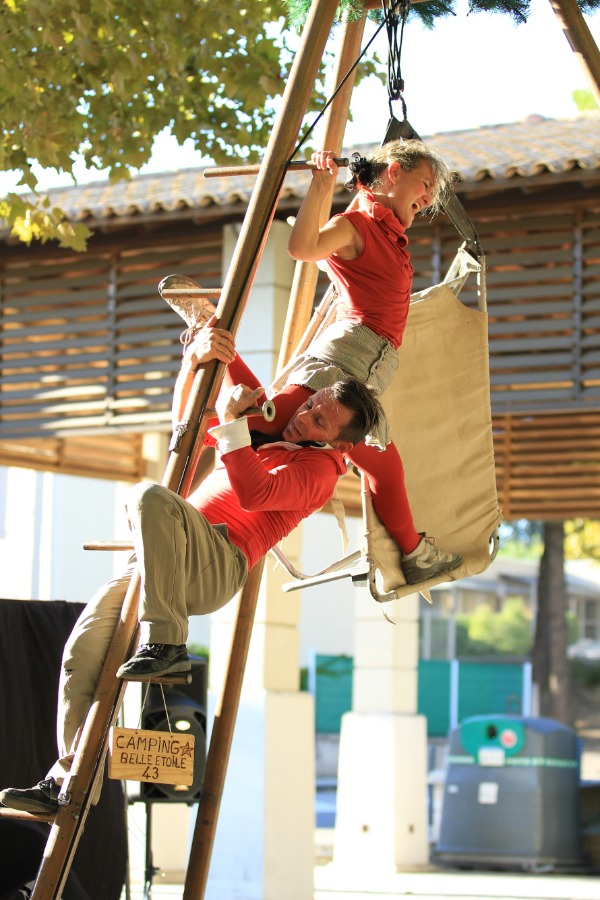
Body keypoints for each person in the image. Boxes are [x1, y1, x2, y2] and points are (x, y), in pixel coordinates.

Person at [0, 316, 382, 816]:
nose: (304, 417)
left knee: (148, 498)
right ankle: (69, 784)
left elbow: (255, 491)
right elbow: (189, 431)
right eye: (310, 405)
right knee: (82, 656)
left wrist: (231, 425)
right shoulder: (266, 435)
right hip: (162, 561)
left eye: (319, 421)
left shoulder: (321, 472)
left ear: (341, 445)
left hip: (215, 562)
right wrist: (196, 359)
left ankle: (168, 641)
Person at [259, 139, 463, 586]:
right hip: (343, 360)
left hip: (361, 373)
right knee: (267, 425)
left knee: (383, 469)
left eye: (431, 190)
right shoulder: (354, 225)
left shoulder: (384, 230)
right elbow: (303, 247)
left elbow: (367, 195)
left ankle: (414, 552)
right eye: (424, 184)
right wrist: (320, 184)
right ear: (392, 173)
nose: (428, 197)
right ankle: (414, 553)